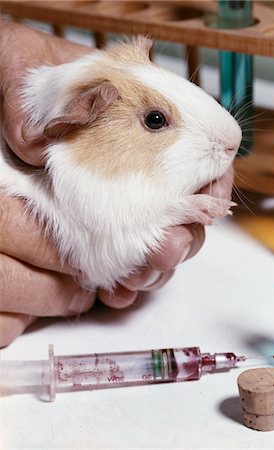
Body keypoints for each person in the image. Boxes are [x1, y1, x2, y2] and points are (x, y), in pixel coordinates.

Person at [0, 21, 234, 347]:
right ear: (77, 121)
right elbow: (109, 251)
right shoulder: (68, 168)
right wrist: (175, 210)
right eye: (155, 120)